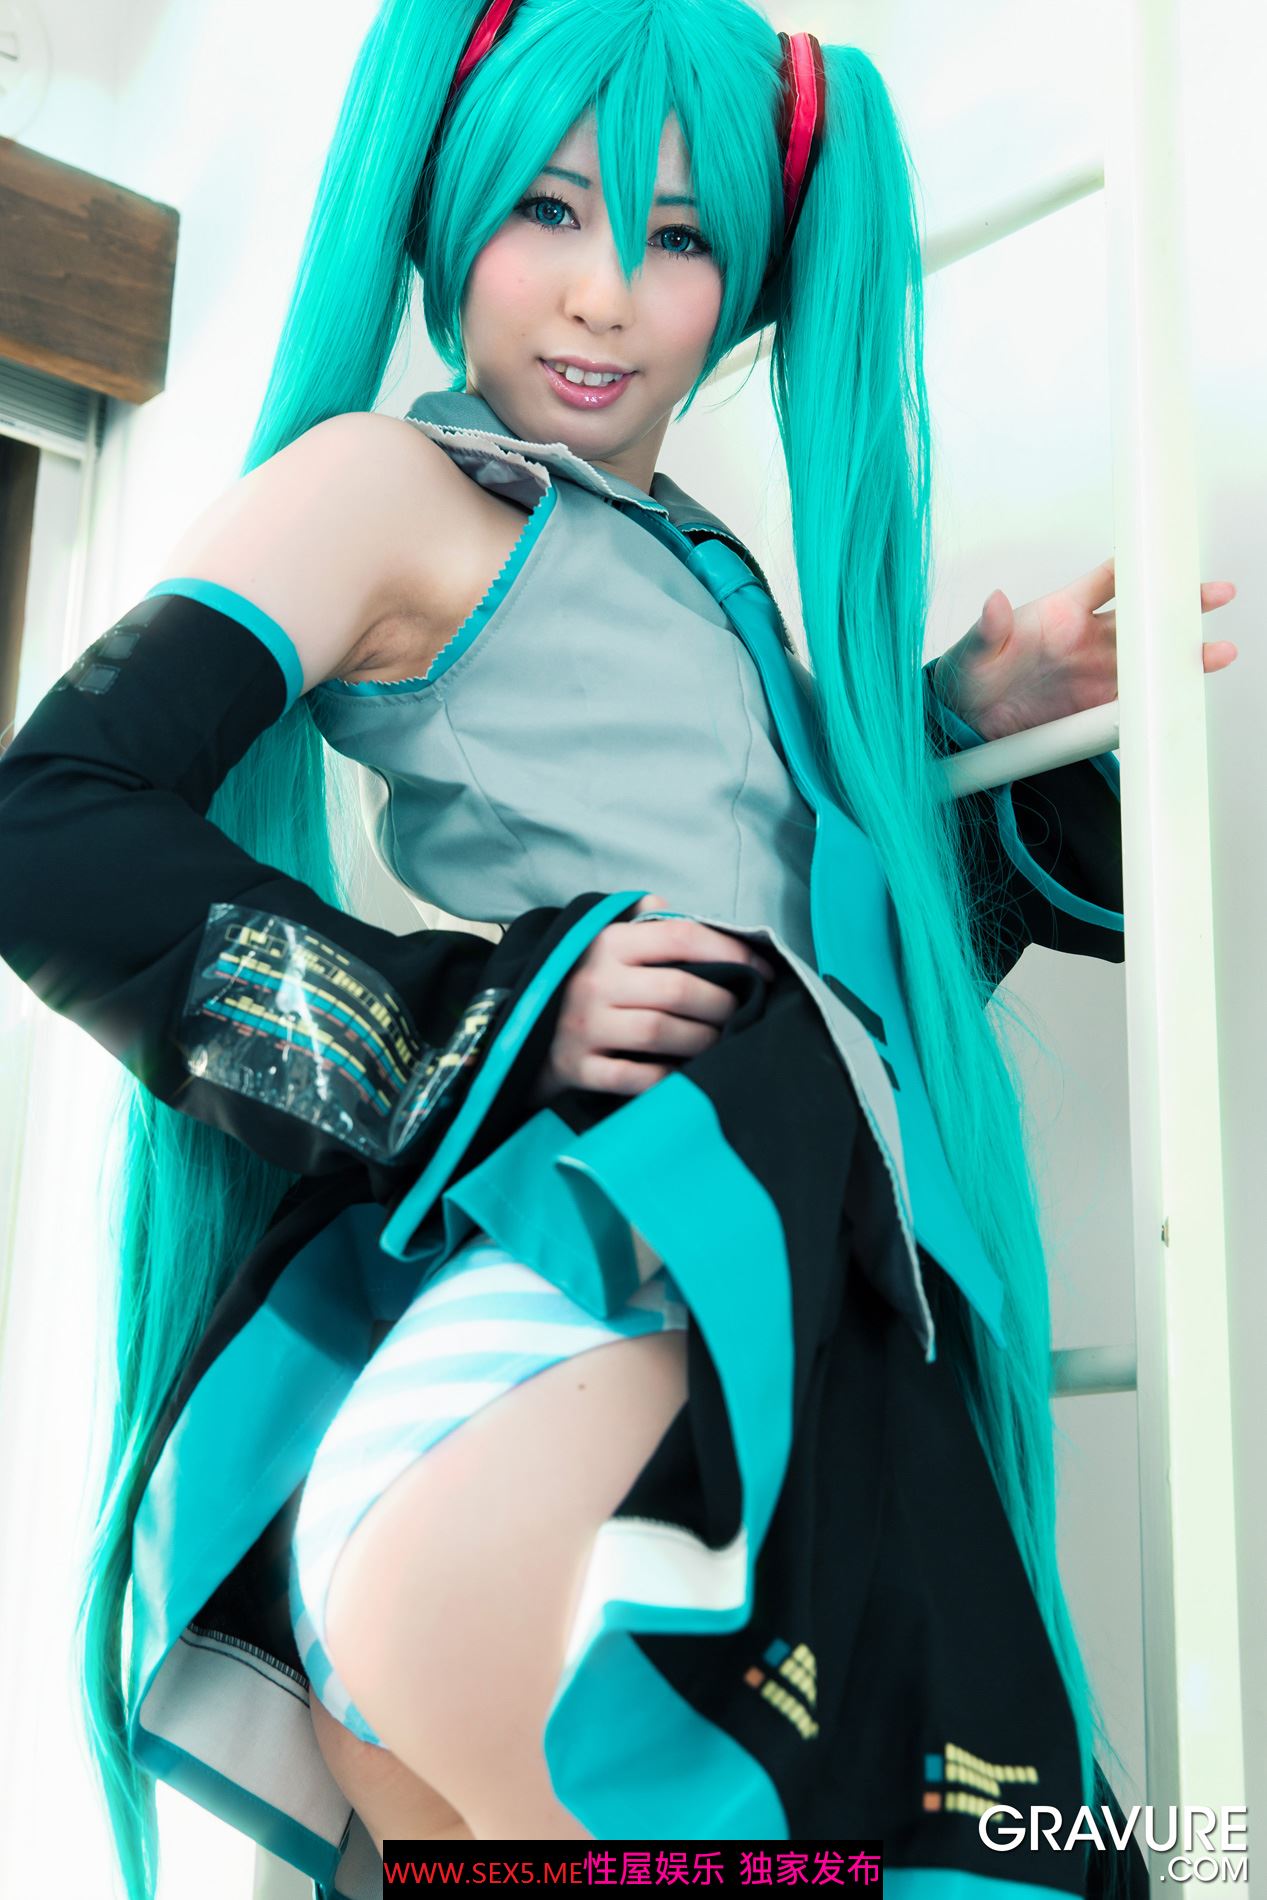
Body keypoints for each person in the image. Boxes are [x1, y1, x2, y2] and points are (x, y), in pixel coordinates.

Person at [0, 0, 1237, 1894]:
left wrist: (952, 735)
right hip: (580, 1365)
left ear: (746, 283)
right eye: (549, 210)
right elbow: (48, 821)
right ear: (446, 206)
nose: (603, 295)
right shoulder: (393, 484)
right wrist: (483, 1010)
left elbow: (801, 976)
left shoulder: (688, 562)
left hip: (554, 1405)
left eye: (677, 237)